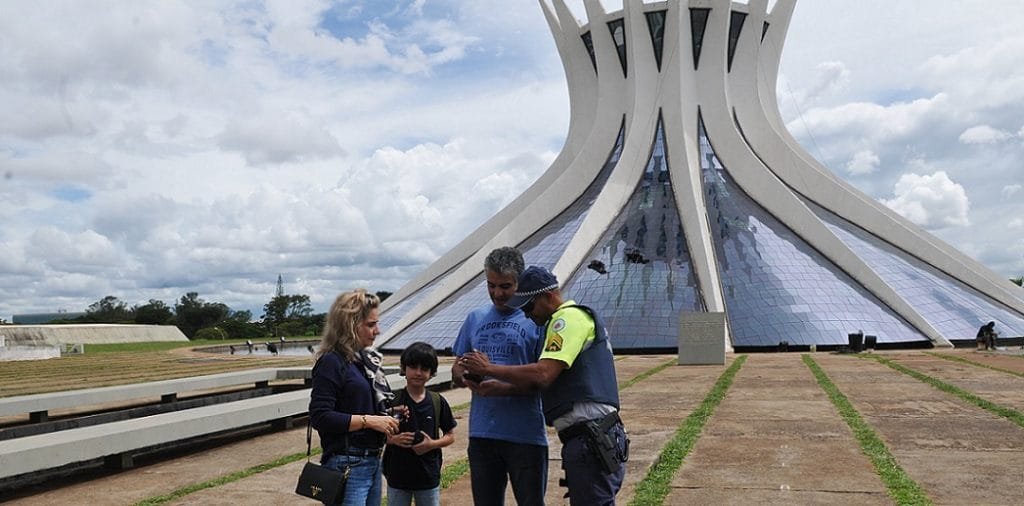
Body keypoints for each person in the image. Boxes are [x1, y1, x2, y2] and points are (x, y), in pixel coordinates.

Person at [460, 266, 629, 506]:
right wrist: (500, 387)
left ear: (549, 296)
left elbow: (542, 375)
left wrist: (488, 370)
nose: (527, 315)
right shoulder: (561, 322)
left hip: (591, 437)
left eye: (529, 307)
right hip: (587, 438)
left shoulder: (567, 319)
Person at [450, 247, 548, 506]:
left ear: (520, 281)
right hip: (483, 434)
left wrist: (500, 387)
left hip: (525, 435)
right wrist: (464, 376)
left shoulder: (535, 320)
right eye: (491, 285)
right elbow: (457, 365)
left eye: (505, 286)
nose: (497, 293)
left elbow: (543, 379)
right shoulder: (475, 318)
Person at [309, 289, 402, 506]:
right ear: (350, 325)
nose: (377, 331)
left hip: (371, 459)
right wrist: (370, 421)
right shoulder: (332, 362)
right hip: (348, 461)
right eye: (371, 325)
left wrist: (389, 414)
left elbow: (358, 403)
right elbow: (320, 417)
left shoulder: (363, 362)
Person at [382, 342, 457, 506]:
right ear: (404, 369)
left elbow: (450, 435)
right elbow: (378, 434)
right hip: (397, 477)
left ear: (431, 373)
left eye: (424, 368)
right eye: (413, 367)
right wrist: (393, 440)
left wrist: (432, 444)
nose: (418, 372)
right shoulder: (393, 402)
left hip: (428, 477)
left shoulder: (437, 402)